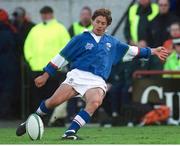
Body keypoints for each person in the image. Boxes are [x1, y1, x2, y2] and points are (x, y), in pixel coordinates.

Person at [16, 8, 168, 140]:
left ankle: (70, 132)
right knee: (52, 102)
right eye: (98, 22)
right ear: (92, 21)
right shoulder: (81, 39)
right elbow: (61, 57)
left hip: (97, 80)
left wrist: (153, 51)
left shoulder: (113, 43)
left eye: (103, 23)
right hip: (77, 76)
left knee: (95, 102)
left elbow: (133, 50)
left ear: (108, 25)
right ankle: (31, 120)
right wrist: (46, 75)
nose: (100, 25)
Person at [23, 6, 70, 114]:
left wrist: (61, 64)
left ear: (52, 14)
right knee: (36, 96)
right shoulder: (36, 29)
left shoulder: (60, 28)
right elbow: (28, 46)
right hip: (36, 68)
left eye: (47, 13)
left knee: (51, 96)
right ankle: (37, 118)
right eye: (43, 13)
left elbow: (67, 47)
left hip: (53, 69)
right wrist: (30, 60)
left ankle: (49, 119)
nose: (45, 15)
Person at [67, 6, 93, 122]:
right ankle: (71, 116)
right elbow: (69, 46)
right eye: (83, 14)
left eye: (87, 14)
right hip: (76, 64)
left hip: (91, 65)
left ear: (91, 16)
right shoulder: (73, 28)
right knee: (72, 91)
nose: (85, 16)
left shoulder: (95, 27)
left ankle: (88, 117)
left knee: (90, 92)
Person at [0, 9, 19, 119]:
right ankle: (5, 113)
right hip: (8, 64)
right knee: (8, 90)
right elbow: (17, 45)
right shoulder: (10, 31)